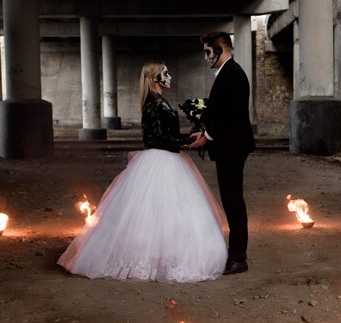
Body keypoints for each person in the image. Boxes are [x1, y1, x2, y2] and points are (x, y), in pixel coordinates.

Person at [58, 61, 228, 282]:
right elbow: (157, 138)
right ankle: (151, 260)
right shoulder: (152, 104)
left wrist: (189, 136)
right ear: (155, 78)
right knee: (155, 212)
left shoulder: (160, 101)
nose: (169, 76)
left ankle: (164, 257)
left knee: (171, 211)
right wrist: (187, 140)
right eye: (165, 73)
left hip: (169, 158)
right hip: (159, 160)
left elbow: (165, 133)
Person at [189, 31, 256, 275]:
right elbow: (221, 112)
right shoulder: (228, 73)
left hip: (232, 148)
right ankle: (237, 255)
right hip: (230, 146)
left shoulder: (232, 74)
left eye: (207, 51)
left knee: (233, 201)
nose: (205, 57)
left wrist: (207, 136)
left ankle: (239, 258)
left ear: (220, 49)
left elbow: (231, 116)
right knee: (232, 201)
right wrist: (205, 133)